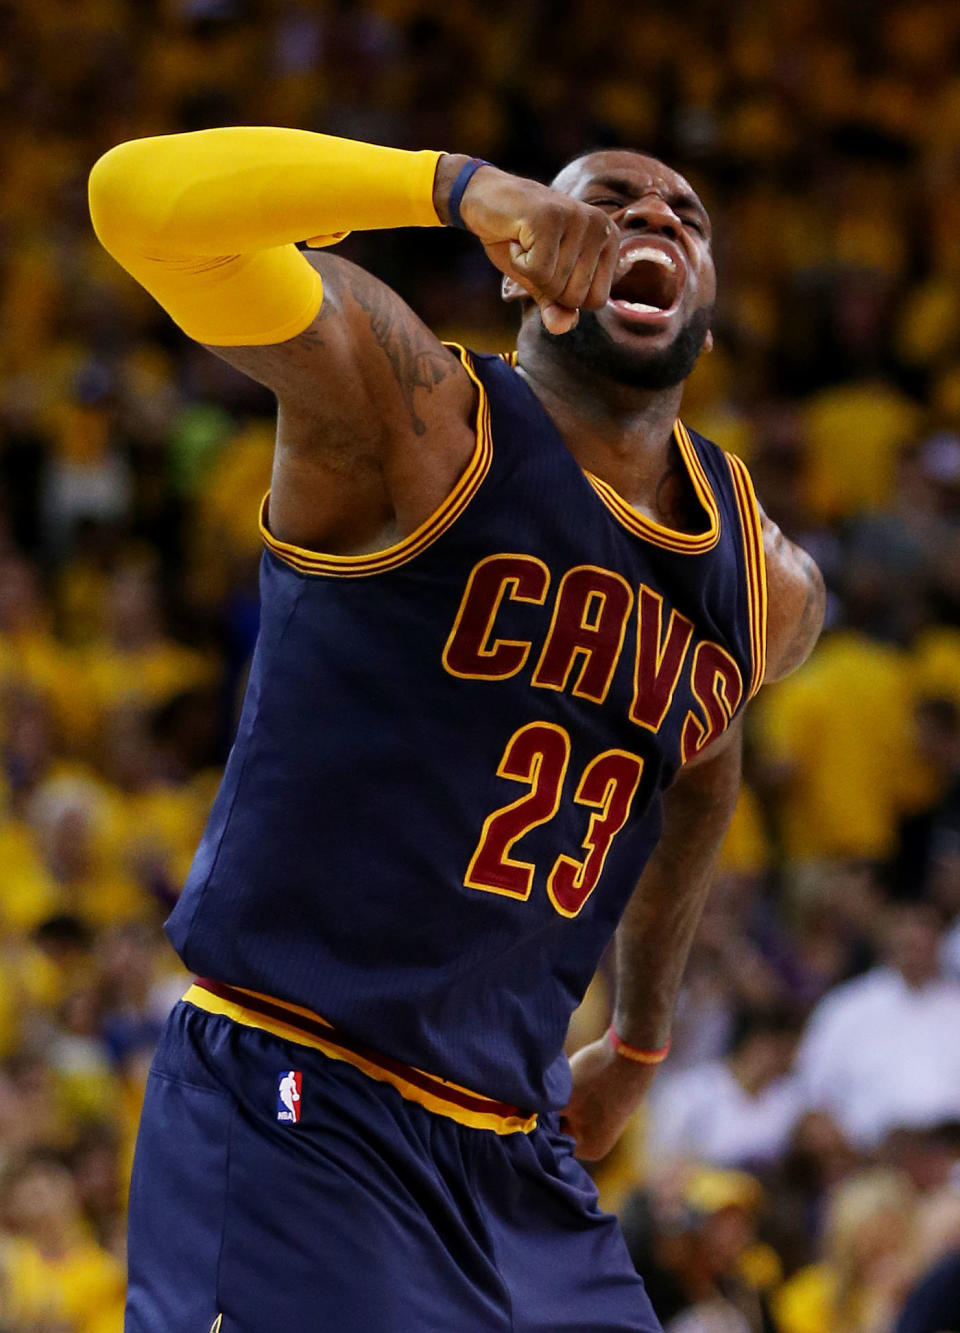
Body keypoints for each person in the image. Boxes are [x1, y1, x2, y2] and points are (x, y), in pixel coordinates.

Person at [88, 128, 825, 1332]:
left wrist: (639, 1037)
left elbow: (701, 751)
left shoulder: (766, 581)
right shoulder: (412, 411)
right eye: (612, 200)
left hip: (513, 1152)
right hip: (300, 1093)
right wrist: (457, 189)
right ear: (522, 263)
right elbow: (132, 200)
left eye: (684, 215)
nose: (653, 221)